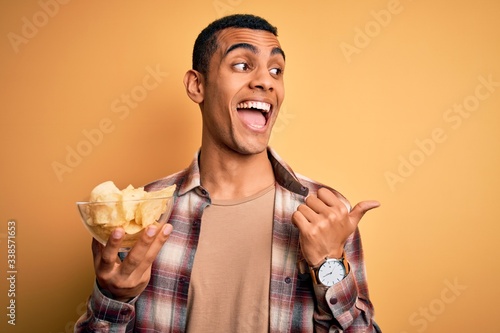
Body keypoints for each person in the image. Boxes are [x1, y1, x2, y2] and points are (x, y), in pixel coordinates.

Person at [75, 14, 381, 332]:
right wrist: (112, 298)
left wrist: (329, 264)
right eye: (242, 65)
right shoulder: (143, 212)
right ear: (197, 85)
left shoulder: (324, 213)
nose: (266, 81)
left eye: (276, 70)